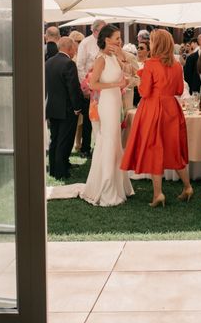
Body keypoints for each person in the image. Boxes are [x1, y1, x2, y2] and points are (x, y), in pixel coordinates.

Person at [121, 29, 193, 207]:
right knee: (173, 148)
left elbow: (144, 92)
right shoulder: (176, 65)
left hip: (152, 108)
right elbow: (178, 90)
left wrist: (140, 79)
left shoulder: (151, 64)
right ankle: (188, 187)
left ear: (157, 44)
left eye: (151, 41)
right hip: (171, 109)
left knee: (154, 148)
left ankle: (158, 194)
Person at [79, 26, 134, 206]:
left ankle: (120, 185)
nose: (119, 41)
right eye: (117, 38)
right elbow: (93, 84)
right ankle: (107, 188)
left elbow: (129, 69)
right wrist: (115, 84)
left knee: (115, 142)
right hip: (107, 103)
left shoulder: (113, 57)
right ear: (107, 40)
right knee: (109, 141)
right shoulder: (100, 59)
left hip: (115, 101)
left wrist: (123, 81)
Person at [45, 37, 85, 179]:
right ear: (69, 48)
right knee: (65, 140)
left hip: (52, 108)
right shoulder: (69, 63)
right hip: (67, 109)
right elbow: (73, 88)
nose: (75, 51)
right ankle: (61, 171)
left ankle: (54, 168)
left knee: (54, 139)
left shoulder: (48, 62)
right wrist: (77, 108)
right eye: (74, 48)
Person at [76, 19, 106, 157]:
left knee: (103, 117)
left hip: (104, 87)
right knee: (89, 119)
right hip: (90, 87)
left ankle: (99, 146)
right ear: (95, 31)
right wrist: (86, 88)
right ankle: (85, 148)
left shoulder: (106, 42)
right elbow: (80, 66)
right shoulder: (85, 43)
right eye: (103, 29)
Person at [133, 39, 150, 106]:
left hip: (143, 93)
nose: (139, 49)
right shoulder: (133, 62)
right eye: (138, 48)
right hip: (132, 91)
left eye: (141, 48)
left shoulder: (149, 64)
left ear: (148, 52)